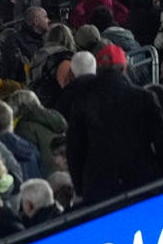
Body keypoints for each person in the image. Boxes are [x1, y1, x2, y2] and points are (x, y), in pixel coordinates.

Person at [62, 50, 163, 203]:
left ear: (98, 70)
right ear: (124, 67)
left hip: (100, 191)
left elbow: (74, 149)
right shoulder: (144, 98)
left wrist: (80, 187)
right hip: (143, 184)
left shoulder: (82, 103)